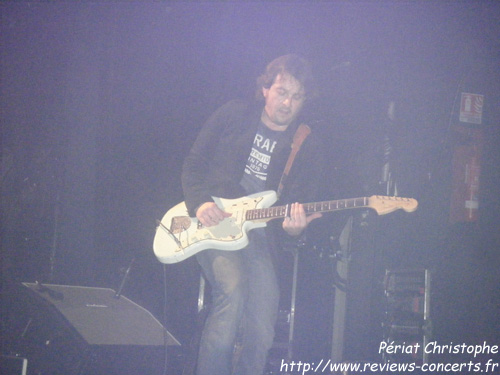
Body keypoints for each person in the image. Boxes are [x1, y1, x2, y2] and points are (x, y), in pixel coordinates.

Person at [181, 54, 324, 375]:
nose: (288, 102)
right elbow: (194, 162)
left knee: (262, 327)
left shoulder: (307, 145)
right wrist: (201, 202)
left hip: (261, 235)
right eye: (282, 92)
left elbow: (297, 207)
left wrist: (294, 229)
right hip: (216, 219)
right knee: (231, 291)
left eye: (297, 96)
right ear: (264, 89)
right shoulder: (233, 114)